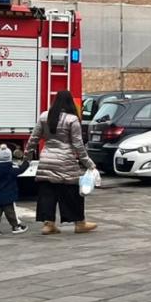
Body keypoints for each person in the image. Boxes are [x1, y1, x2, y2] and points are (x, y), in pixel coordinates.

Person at [26, 89, 97, 234]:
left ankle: (48, 224)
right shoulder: (72, 119)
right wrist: (89, 163)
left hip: (46, 159)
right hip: (66, 161)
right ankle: (79, 223)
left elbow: (33, 138)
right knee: (72, 193)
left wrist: (26, 156)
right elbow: (78, 144)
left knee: (47, 193)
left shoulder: (44, 116)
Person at [0, 146, 27, 236]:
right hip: (8, 195)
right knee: (10, 213)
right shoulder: (11, 168)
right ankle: (16, 226)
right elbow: (21, 169)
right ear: (10, 157)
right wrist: (26, 162)